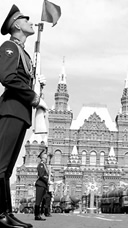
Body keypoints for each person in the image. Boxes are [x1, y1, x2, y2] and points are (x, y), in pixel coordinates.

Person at [0, 4, 48, 228]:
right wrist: (34, 97)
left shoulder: (24, 52)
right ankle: (1, 214)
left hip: (20, 113)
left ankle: (6, 213)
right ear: (17, 25)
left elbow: (21, 77)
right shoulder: (10, 45)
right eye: (25, 20)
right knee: (1, 165)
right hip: (11, 109)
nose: (30, 22)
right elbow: (7, 77)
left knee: (7, 167)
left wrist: (38, 88)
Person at [34, 150, 49, 221]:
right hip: (40, 184)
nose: (46, 160)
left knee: (41, 200)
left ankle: (39, 214)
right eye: (45, 159)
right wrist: (47, 180)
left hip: (43, 185)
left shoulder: (44, 166)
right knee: (38, 201)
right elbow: (41, 175)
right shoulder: (41, 165)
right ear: (42, 158)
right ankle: (36, 215)